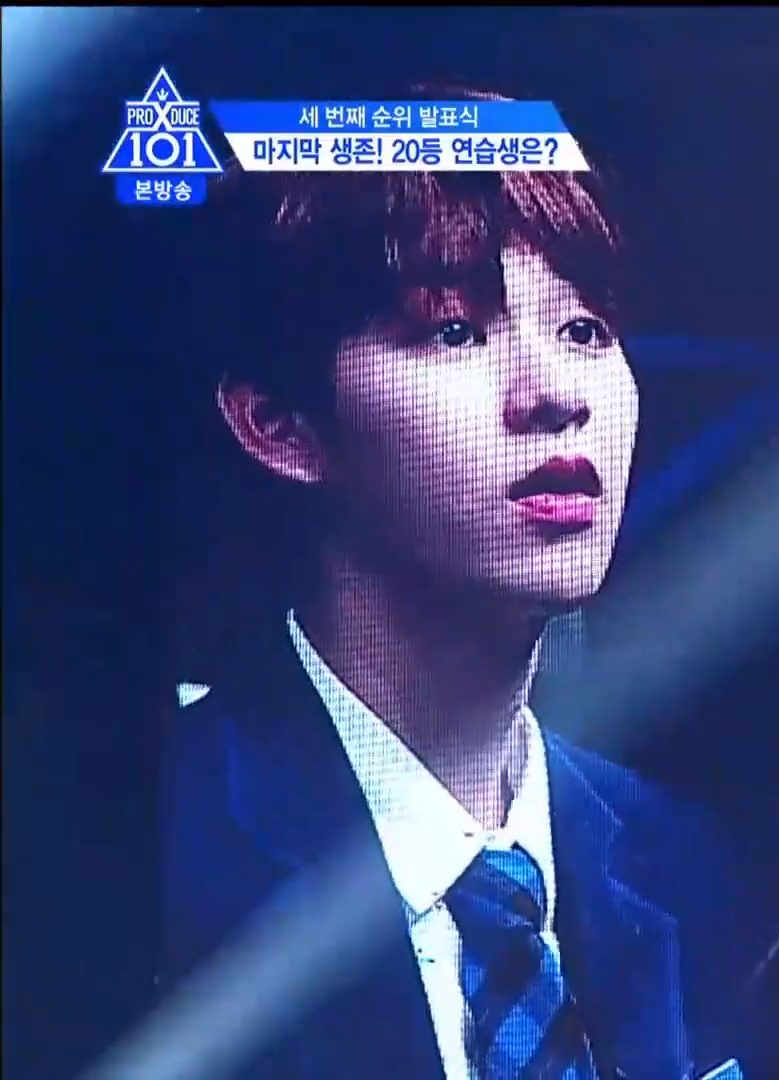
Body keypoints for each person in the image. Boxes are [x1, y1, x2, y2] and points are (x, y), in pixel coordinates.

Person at [159, 87, 740, 1080]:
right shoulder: (146, 847)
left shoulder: (681, 861)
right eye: (455, 331)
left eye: (585, 329)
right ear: (279, 426)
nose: (555, 395)